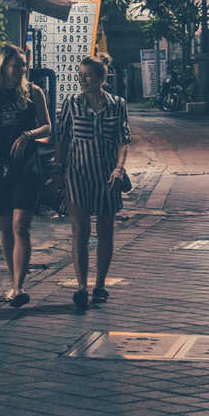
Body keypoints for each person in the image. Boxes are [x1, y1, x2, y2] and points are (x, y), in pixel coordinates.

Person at [0, 45, 51, 308]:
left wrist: (28, 135)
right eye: (17, 64)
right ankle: (13, 281)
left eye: (23, 63)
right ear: (2, 67)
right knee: (5, 227)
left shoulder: (34, 92)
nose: (22, 68)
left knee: (21, 224)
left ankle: (19, 287)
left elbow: (47, 125)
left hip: (26, 167)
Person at [57, 56, 130, 310]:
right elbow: (63, 138)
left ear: (102, 78)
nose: (83, 79)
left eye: (88, 75)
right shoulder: (72, 104)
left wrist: (119, 168)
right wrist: (58, 172)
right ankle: (80, 286)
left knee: (106, 231)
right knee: (80, 230)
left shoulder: (117, 105)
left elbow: (123, 139)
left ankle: (100, 285)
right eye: (81, 75)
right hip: (77, 173)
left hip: (107, 175)